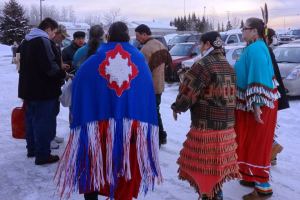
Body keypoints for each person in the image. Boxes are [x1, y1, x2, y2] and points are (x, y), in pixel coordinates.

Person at [55, 21, 162, 200]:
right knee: (123, 165)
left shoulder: (94, 60)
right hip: (130, 127)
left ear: (108, 36)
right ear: (128, 37)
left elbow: (79, 84)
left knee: (94, 163)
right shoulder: (138, 59)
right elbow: (146, 91)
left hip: (98, 125)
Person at [171, 31, 240, 200]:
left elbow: (189, 90)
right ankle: (216, 195)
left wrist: (178, 106)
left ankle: (210, 196)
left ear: (208, 44)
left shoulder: (203, 64)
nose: (200, 48)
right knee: (216, 167)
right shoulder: (227, 64)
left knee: (205, 169)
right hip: (226, 127)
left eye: (201, 44)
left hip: (206, 126)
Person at [234, 18, 281, 199]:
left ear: (254, 31)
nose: (242, 32)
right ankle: (250, 175)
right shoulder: (255, 46)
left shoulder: (256, 50)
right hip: (251, 104)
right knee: (248, 141)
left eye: (244, 29)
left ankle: (263, 187)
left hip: (258, 106)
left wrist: (256, 106)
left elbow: (259, 77)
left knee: (257, 144)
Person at [18, 17, 69, 165]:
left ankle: (32, 149)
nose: (53, 35)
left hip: (27, 89)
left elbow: (19, 63)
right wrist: (63, 74)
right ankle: (43, 155)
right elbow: (50, 67)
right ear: (48, 28)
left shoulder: (25, 41)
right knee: (43, 122)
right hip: (43, 91)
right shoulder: (43, 41)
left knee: (31, 119)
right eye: (53, 31)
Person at [135, 24, 172, 146]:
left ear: (145, 34)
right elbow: (168, 65)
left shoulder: (145, 49)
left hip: (149, 87)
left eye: (138, 36)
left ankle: (159, 137)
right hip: (160, 85)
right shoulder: (161, 45)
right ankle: (161, 136)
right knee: (156, 111)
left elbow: (141, 72)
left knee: (152, 112)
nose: (137, 38)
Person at [265, 28, 289, 165]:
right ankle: (272, 155)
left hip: (269, 94)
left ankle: (273, 151)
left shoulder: (267, 51)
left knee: (266, 127)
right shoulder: (267, 50)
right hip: (272, 93)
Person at [49, 24, 71, 149]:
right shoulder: (48, 45)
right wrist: (63, 73)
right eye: (62, 36)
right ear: (55, 33)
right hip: (50, 85)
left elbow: (57, 63)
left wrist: (63, 67)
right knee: (48, 113)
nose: (63, 39)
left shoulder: (56, 46)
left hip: (57, 83)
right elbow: (50, 67)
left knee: (54, 111)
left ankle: (52, 134)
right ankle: (48, 138)